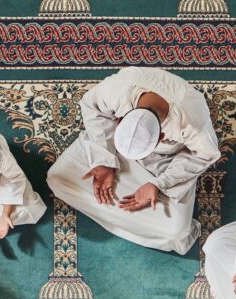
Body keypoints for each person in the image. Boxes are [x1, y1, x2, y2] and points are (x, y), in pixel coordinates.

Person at [47, 67, 221, 254]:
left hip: (163, 163)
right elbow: (92, 107)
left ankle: (141, 206)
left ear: (161, 136)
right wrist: (103, 161)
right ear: (121, 118)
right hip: (113, 146)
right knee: (57, 179)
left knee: (175, 233)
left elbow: (204, 155)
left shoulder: (192, 122)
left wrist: (158, 184)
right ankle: (140, 215)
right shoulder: (118, 89)